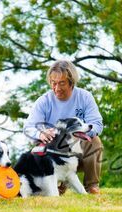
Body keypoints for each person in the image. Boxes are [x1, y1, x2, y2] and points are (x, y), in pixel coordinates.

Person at [24, 60, 103, 194]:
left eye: (62, 83)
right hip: (53, 149)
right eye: (53, 83)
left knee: (94, 141)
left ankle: (91, 186)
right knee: (36, 150)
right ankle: (53, 185)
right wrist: (41, 134)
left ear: (72, 82)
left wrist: (78, 136)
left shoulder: (85, 97)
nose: (57, 88)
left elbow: (96, 124)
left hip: (78, 149)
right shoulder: (44, 101)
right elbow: (29, 127)